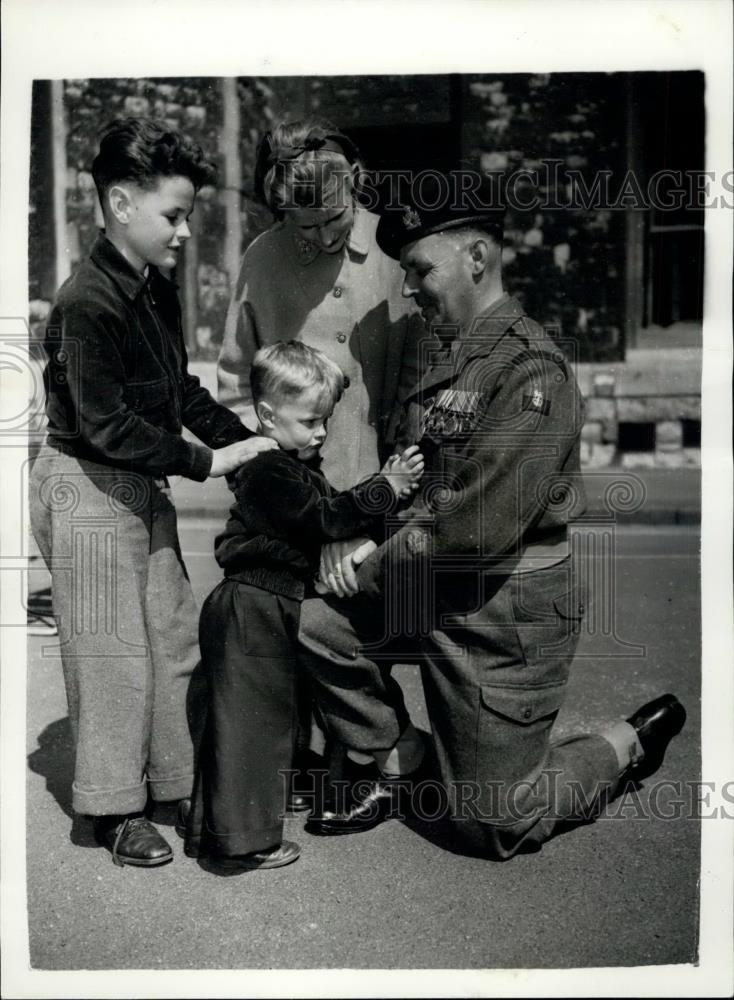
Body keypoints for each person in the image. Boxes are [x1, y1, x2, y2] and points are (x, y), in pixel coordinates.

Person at [296, 169, 687, 859]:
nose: (408, 288)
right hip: (432, 579)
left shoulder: (531, 374)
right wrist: (358, 530)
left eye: (419, 269)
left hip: (501, 611)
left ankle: (622, 746)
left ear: (476, 258)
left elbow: (473, 532)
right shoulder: (449, 354)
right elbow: (413, 476)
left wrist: (370, 560)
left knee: (492, 822)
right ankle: (404, 763)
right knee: (314, 622)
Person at [29, 118, 275, 868]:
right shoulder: (84, 303)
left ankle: (174, 783)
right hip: (86, 485)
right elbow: (105, 426)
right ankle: (113, 808)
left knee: (171, 638)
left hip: (137, 481)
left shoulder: (154, 291)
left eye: (188, 216)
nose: (181, 231)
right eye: (173, 214)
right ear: (120, 203)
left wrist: (252, 439)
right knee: (112, 655)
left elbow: (179, 392)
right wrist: (211, 461)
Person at [217, 118, 429, 786]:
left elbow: (417, 398)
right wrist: (296, 507)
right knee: (287, 629)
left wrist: (355, 522)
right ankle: (310, 764)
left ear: (356, 187)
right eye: (296, 223)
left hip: (379, 498)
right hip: (287, 504)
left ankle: (369, 761)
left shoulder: (397, 257)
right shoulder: (261, 259)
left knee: (351, 629)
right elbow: (233, 394)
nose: (314, 238)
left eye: (330, 220)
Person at [181, 341, 423, 871]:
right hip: (254, 604)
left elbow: (335, 511)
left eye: (326, 422)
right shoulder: (269, 467)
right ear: (268, 415)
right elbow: (330, 516)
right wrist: (388, 487)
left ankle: (214, 831)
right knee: (252, 729)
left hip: (260, 604)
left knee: (248, 722)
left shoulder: (290, 465)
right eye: (310, 420)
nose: (320, 433)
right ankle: (244, 844)